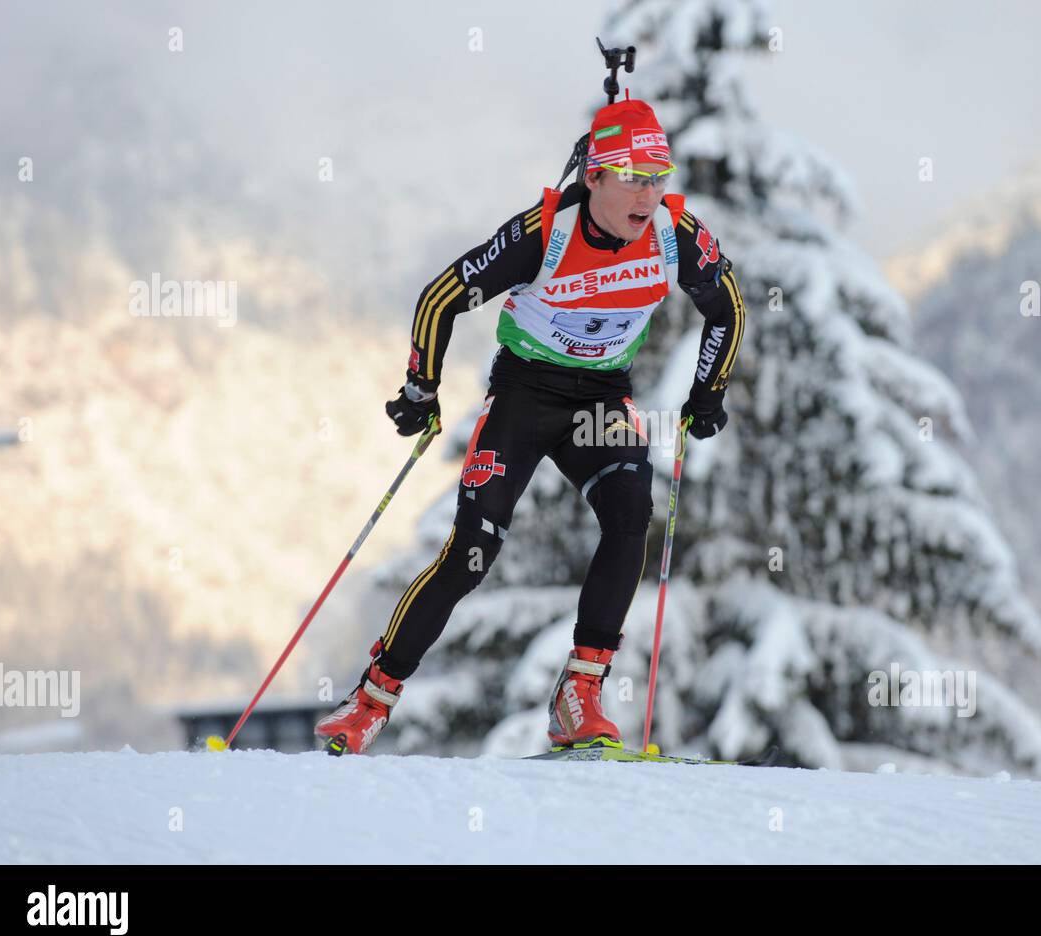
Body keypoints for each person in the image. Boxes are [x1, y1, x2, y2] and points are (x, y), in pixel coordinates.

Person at [316, 94, 746, 755]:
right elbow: (442, 297)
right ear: (594, 176)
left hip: (599, 400)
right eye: (631, 177)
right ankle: (370, 700)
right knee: (472, 551)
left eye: (658, 178)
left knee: (631, 513)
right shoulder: (545, 233)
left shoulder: (672, 236)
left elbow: (729, 308)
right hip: (523, 396)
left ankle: (580, 695)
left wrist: (707, 394)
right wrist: (419, 389)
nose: (647, 195)